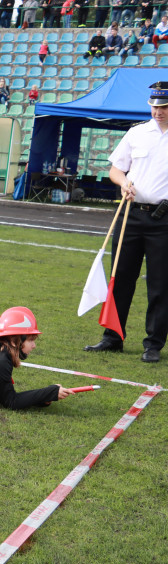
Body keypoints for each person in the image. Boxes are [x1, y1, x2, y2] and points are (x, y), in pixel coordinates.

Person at [85, 83, 168, 363]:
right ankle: (113, 338)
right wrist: (124, 183)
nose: (158, 112)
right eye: (155, 106)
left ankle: (153, 344)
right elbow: (115, 169)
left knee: (161, 283)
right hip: (130, 213)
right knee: (119, 278)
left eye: (164, 107)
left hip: (164, 218)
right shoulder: (136, 133)